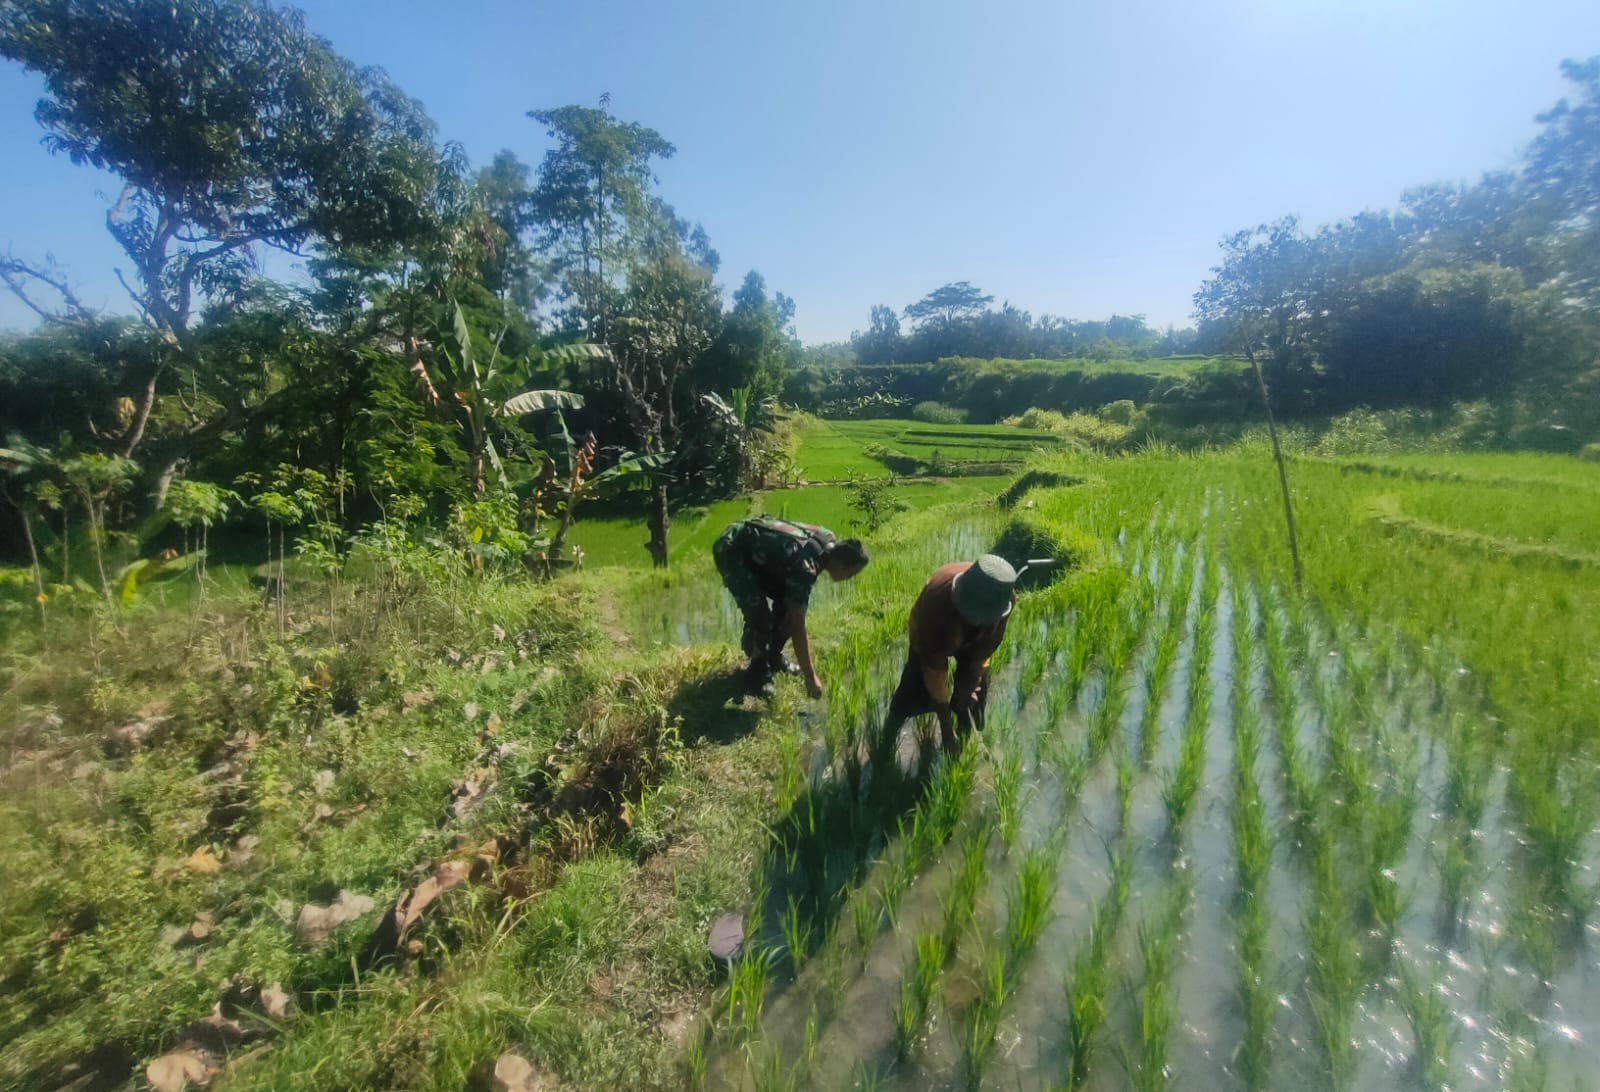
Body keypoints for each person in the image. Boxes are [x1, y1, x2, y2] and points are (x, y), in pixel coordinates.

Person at [713, 517, 869, 697]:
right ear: (840, 564)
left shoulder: (827, 538)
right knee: (759, 613)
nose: (851, 578)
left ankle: (773, 656)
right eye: (852, 573)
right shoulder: (806, 566)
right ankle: (757, 672)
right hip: (732, 548)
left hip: (761, 554)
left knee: (786, 608)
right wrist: (811, 678)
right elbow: (797, 626)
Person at [887, 554, 1018, 753]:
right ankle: (887, 737)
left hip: (978, 636)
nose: (972, 619)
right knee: (915, 684)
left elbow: (986, 649)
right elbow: (935, 672)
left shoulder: (1003, 599)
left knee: (971, 699)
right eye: (970, 613)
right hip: (935, 626)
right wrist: (946, 729)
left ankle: (966, 739)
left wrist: (972, 681)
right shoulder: (935, 605)